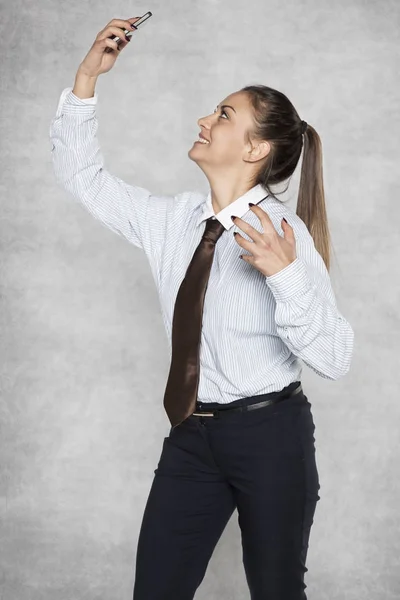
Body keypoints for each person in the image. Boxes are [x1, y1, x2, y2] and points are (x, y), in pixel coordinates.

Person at [49, 16, 354, 600]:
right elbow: (82, 178)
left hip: (271, 436)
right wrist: (88, 77)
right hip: (192, 436)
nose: (204, 120)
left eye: (223, 115)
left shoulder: (285, 235)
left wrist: (286, 277)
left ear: (256, 148)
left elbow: (336, 358)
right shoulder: (172, 222)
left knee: (277, 591)